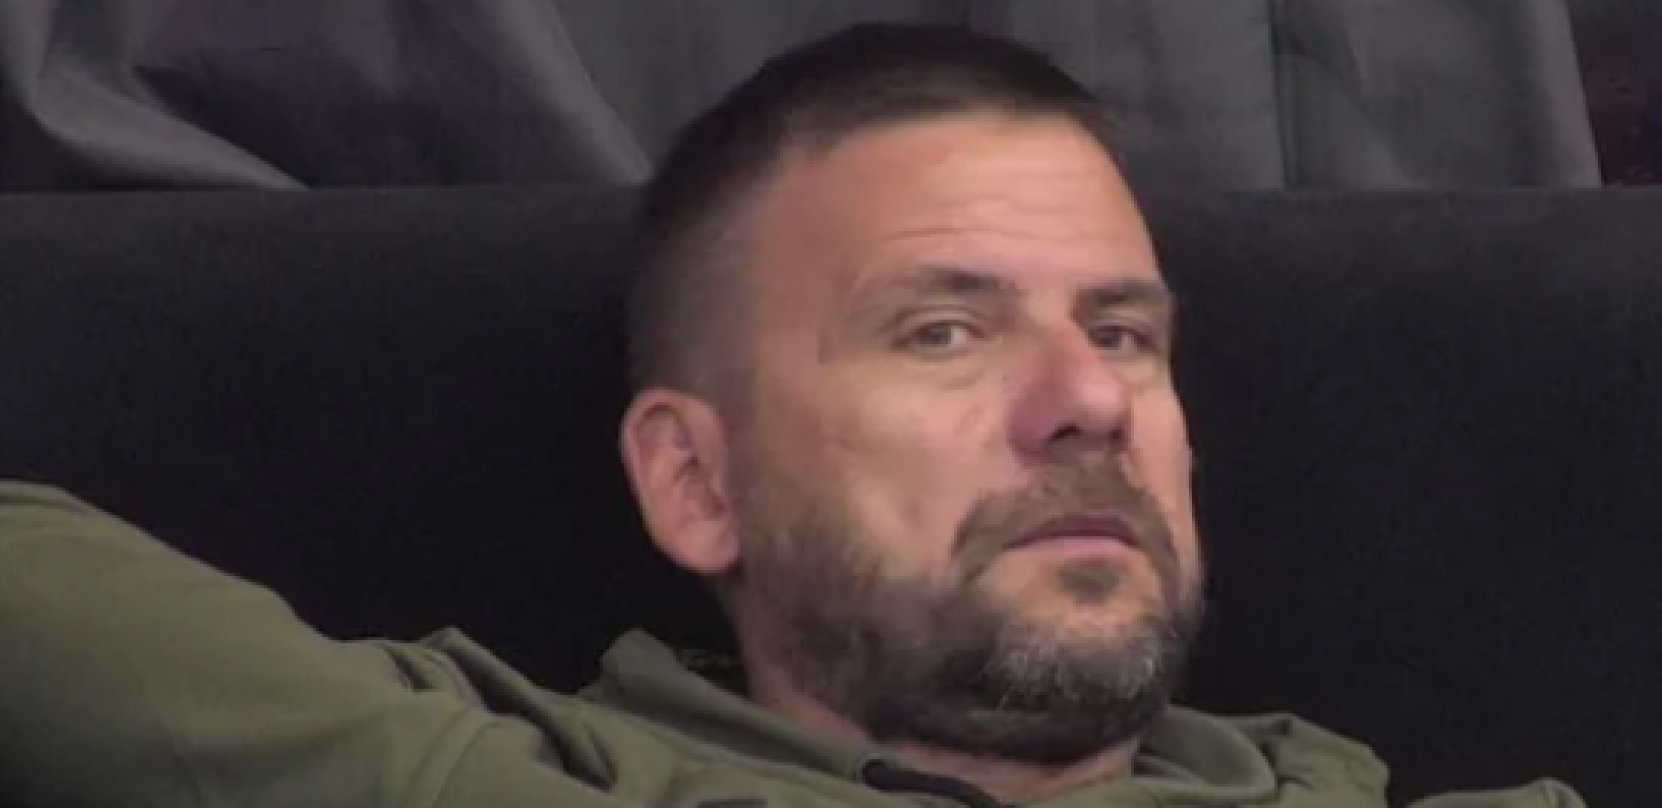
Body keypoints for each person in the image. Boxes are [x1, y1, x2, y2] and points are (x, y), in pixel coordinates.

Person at [0, 23, 1582, 808]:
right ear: (695, 481)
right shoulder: (516, 772)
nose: (1089, 400)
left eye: (1122, 333)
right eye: (942, 331)